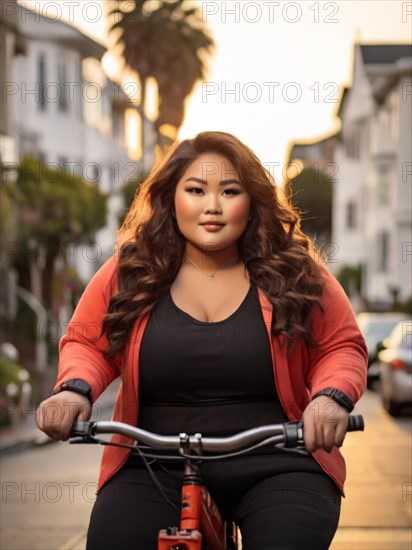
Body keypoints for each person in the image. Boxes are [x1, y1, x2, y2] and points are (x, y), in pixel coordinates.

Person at [37, 131, 367, 549]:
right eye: (196, 190)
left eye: (230, 191)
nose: (212, 206)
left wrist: (329, 398)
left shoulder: (293, 267)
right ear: (172, 197)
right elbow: (87, 342)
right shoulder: (131, 267)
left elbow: (340, 345)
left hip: (280, 461)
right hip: (152, 462)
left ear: (252, 201)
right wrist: (74, 392)